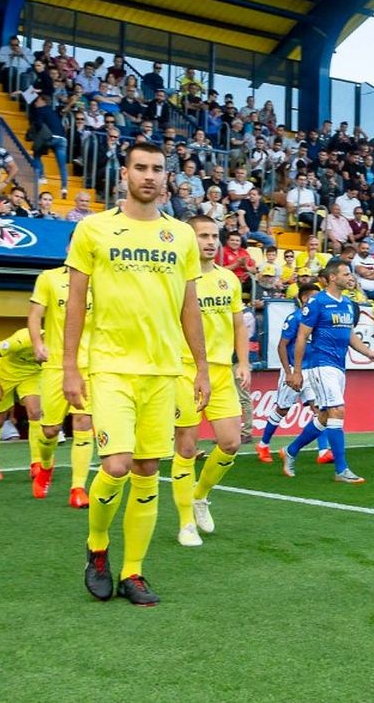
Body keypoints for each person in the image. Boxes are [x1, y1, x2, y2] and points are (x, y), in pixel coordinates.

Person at [65, 142, 209, 607]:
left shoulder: (182, 236)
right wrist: (70, 365)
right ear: (124, 173)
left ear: (167, 178)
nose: (149, 175)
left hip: (164, 371)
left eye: (158, 169)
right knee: (116, 465)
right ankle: (98, 547)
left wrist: (201, 366)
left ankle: (134, 572)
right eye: (141, 168)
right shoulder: (93, 229)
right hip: (110, 367)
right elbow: (74, 303)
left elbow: (190, 307)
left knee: (148, 469)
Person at [169, 214, 250, 548]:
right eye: (203, 235)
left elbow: (239, 325)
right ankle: (186, 521)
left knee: (231, 442)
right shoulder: (174, 279)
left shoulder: (228, 279)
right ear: (189, 239)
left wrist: (243, 362)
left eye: (214, 235)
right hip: (184, 370)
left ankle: (200, 496)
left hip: (219, 371)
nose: (210, 241)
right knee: (186, 447)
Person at [281, 258, 374, 483]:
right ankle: (341, 469)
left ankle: (290, 451)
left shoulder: (346, 304)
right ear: (333, 277)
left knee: (325, 417)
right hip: (320, 364)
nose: (350, 278)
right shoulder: (317, 302)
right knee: (338, 411)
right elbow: (302, 336)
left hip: (338, 366)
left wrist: (368, 353)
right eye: (346, 274)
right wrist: (296, 371)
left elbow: (350, 335)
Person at [26, 260, 95, 507]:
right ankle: (45, 465)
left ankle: (78, 488)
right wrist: (37, 344)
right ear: (70, 250)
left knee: (83, 422)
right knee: (50, 430)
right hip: (56, 364)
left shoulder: (101, 279)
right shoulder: (49, 278)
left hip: (89, 364)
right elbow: (35, 316)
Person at [255, 278, 325, 464]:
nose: (317, 301)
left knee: (319, 410)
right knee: (282, 409)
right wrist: (288, 372)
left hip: (312, 371)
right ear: (303, 299)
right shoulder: (295, 318)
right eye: (313, 297)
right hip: (294, 369)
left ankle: (324, 451)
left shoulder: (318, 320)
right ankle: (263, 444)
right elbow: (281, 346)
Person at [0, 327, 42, 483]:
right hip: (5, 373)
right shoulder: (21, 340)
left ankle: (37, 463)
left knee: (35, 413)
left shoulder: (58, 343)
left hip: (31, 374)